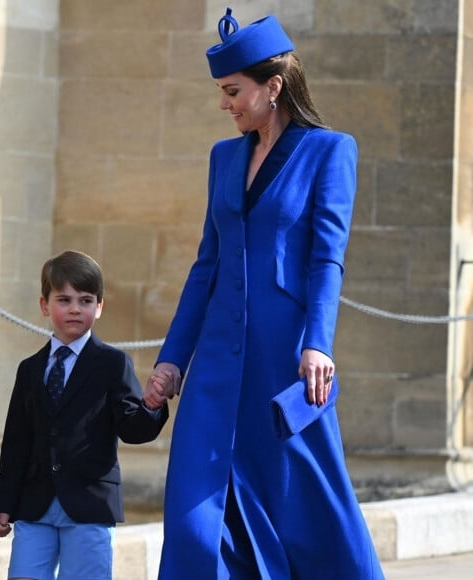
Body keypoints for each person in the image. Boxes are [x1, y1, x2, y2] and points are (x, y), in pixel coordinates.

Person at [144, 8, 385, 579]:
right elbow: (207, 265)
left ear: (273, 86)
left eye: (233, 91)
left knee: (306, 506)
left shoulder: (331, 151)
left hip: (289, 363)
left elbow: (327, 259)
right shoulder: (223, 157)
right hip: (216, 366)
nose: (224, 104)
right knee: (193, 517)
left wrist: (318, 344)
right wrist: (172, 358)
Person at [0, 250, 169, 580]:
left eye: (85, 300)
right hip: (34, 503)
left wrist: (152, 406)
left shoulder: (113, 364)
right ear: (45, 305)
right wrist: (4, 501)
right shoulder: (29, 370)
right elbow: (16, 441)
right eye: (64, 299)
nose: (75, 308)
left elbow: (132, 428)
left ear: (99, 307)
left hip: (89, 505)